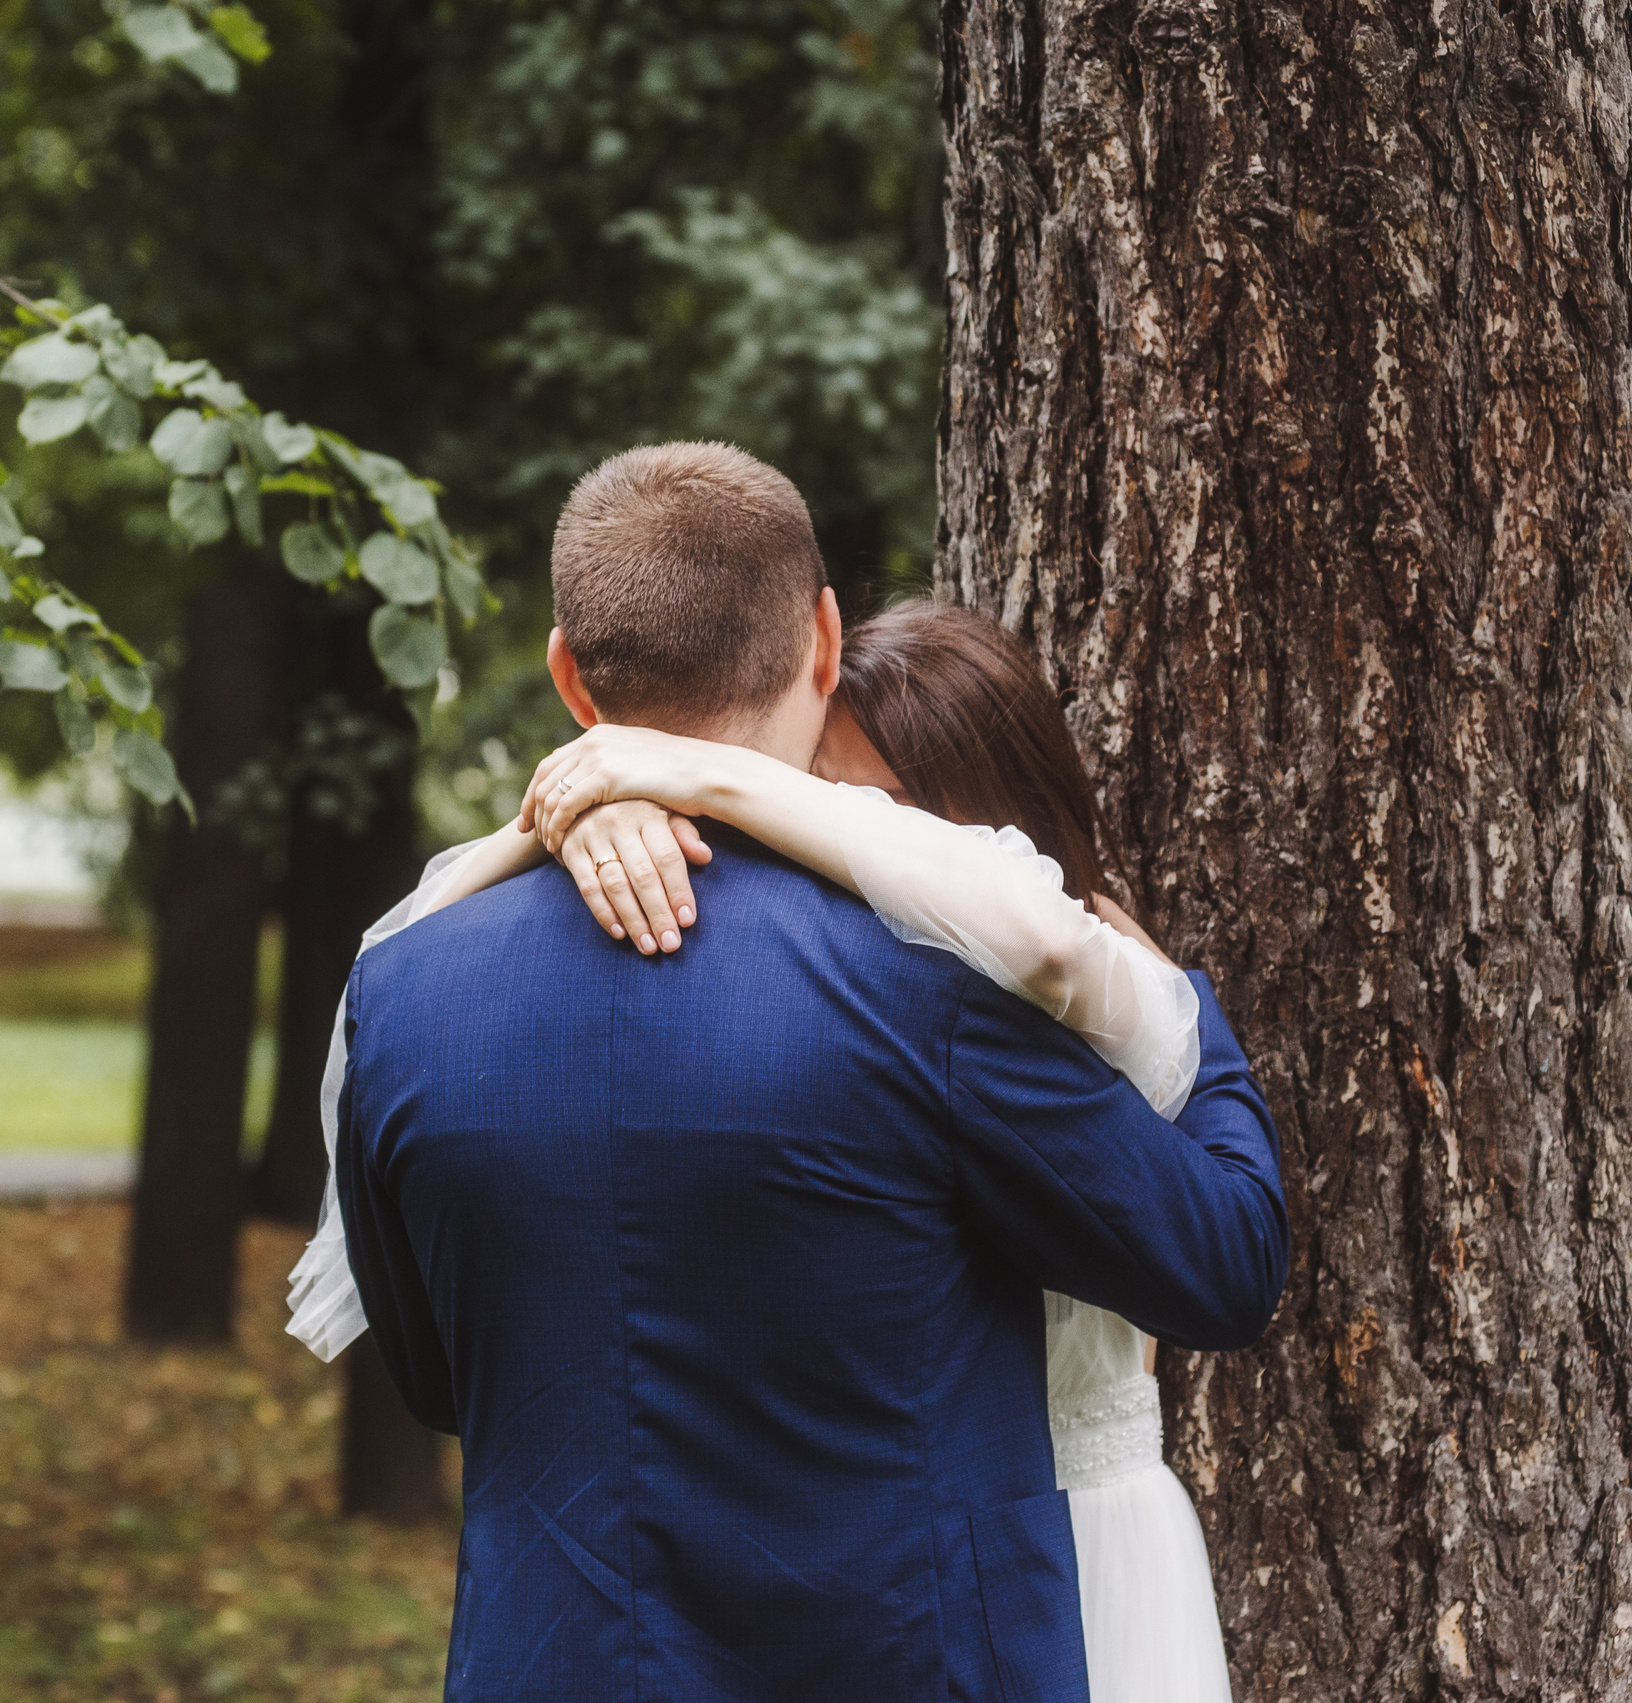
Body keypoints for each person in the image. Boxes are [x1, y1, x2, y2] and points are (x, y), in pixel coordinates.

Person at [294, 442, 1287, 1701]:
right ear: (825, 637)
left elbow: (442, 1378)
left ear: (567, 675)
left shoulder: (404, 990)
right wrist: (1178, 1023)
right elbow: (1222, 1265)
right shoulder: (930, 982)